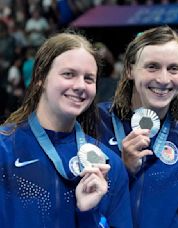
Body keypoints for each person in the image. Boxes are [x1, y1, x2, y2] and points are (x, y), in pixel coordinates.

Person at [0, 32, 132, 227]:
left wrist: (88, 215)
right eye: (68, 74)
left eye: (89, 79)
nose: (80, 86)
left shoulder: (108, 165)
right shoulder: (4, 149)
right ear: (40, 78)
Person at [97, 26, 178, 227]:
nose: (163, 79)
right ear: (129, 70)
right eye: (152, 66)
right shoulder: (95, 124)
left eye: (173, 68)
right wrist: (121, 170)